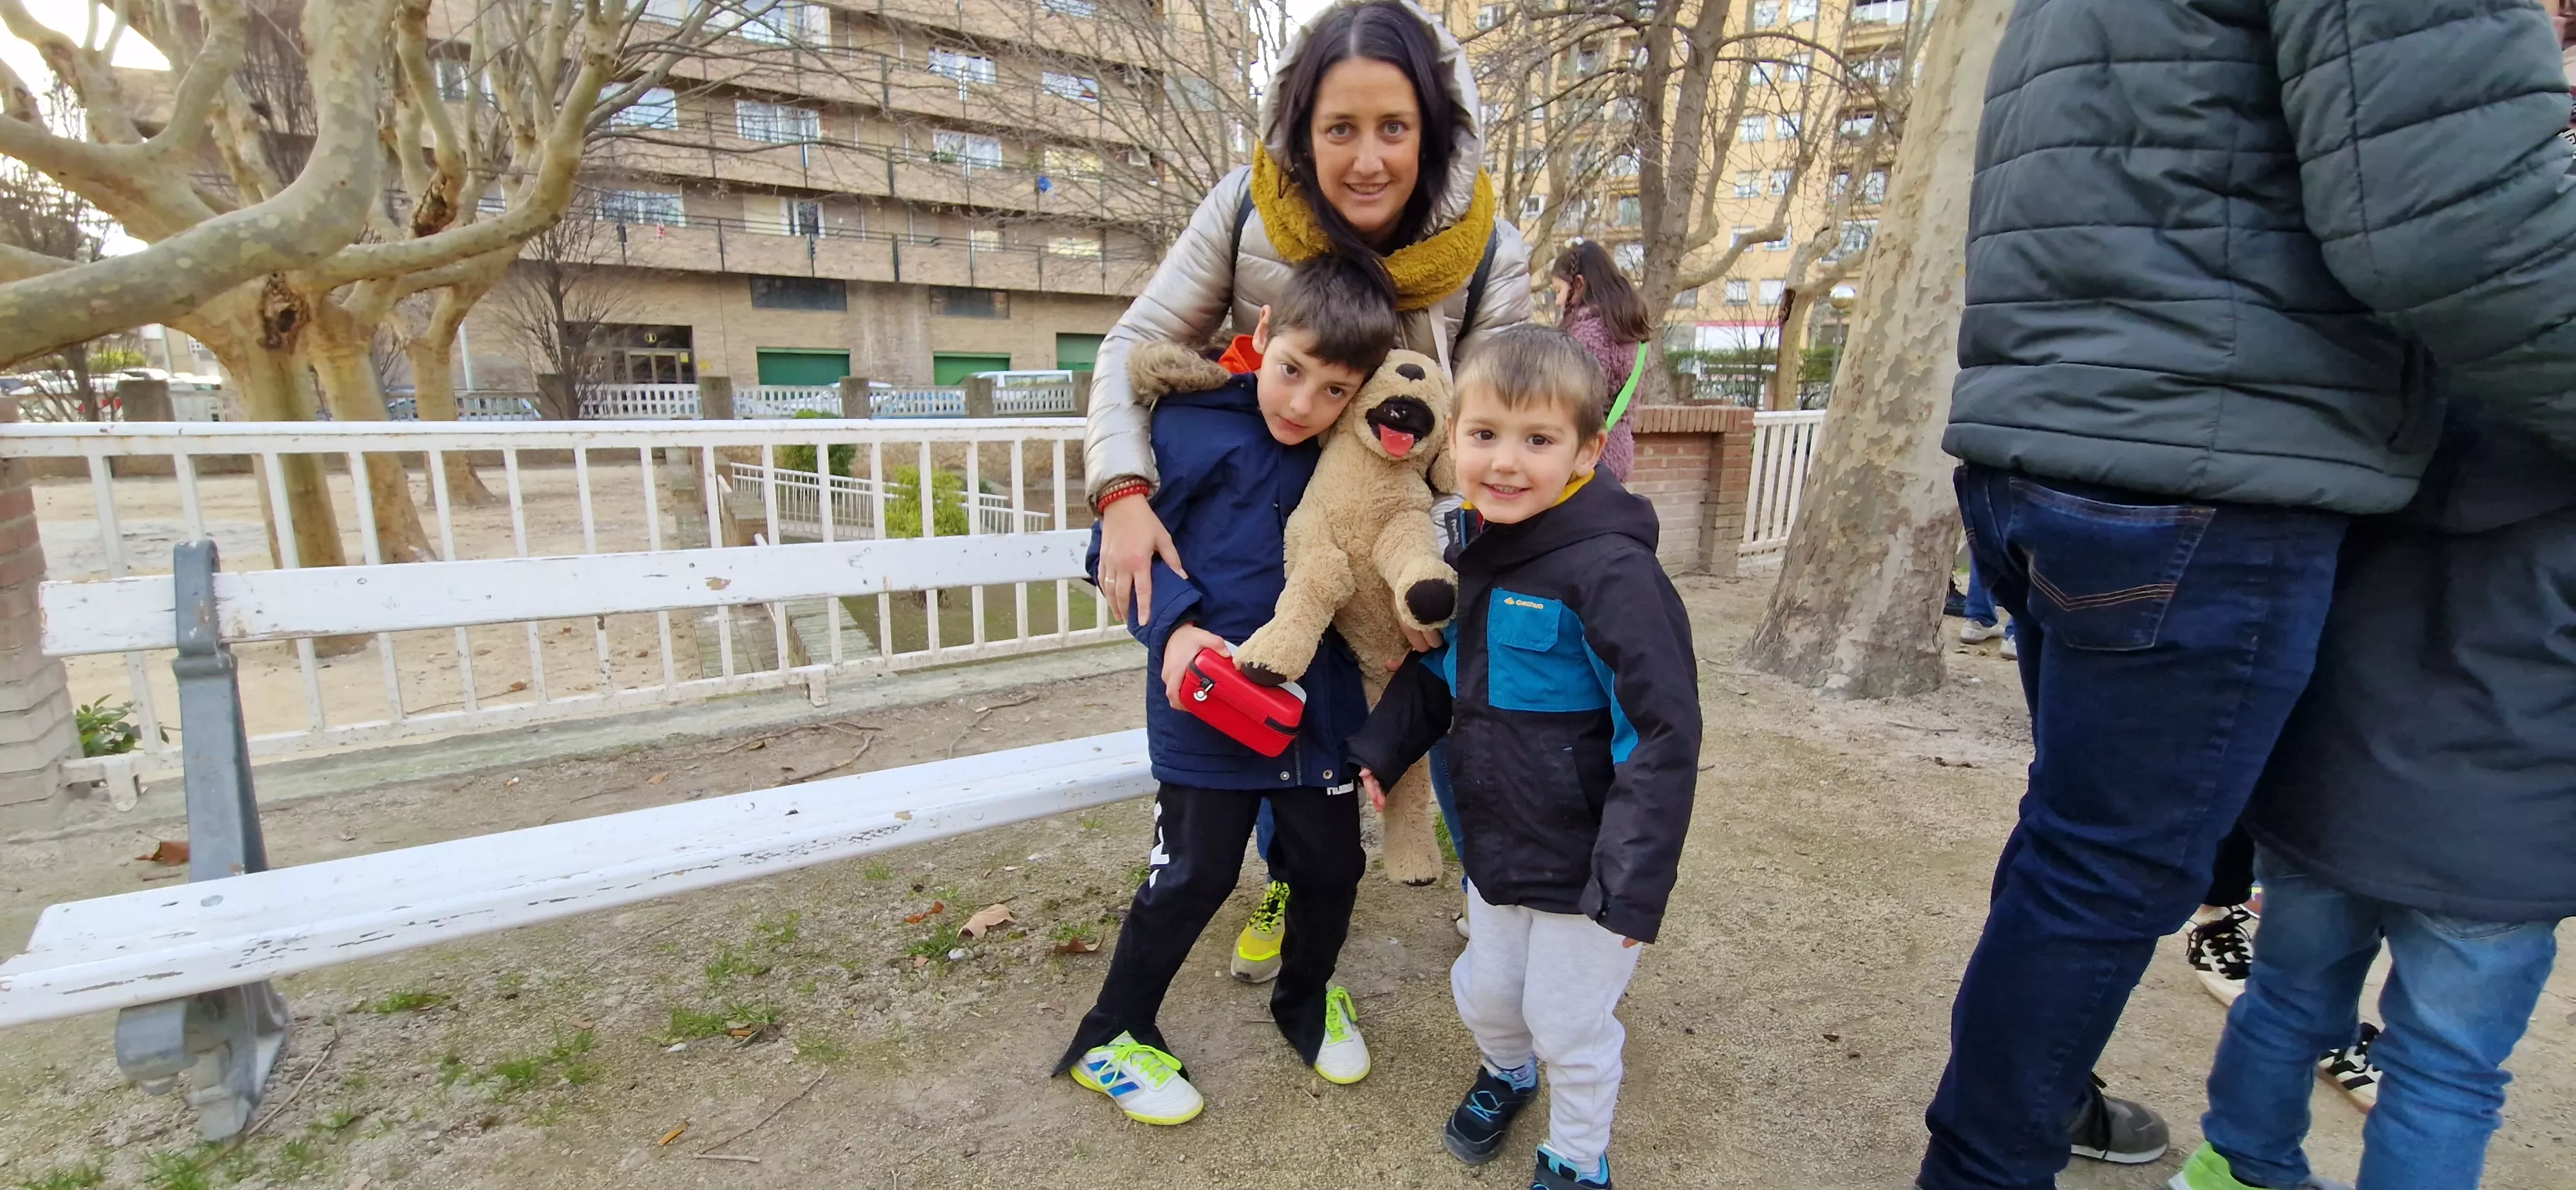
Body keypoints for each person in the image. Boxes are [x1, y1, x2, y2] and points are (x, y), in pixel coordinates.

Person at [1926, 5, 2576, 1189]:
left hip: (2059, 441)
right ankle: (1984, 1161)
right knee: (2100, 872)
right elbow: (2465, 229)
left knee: (2075, 852)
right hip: (2209, 464)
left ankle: (2037, 1101)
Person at [1084, 0, 1533, 972]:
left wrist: (1432, 563)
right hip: (1280, 534)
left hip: (1411, 534)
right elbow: (1133, 346)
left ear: (1436, 131)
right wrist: (1123, 490)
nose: (1367, 159)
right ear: (1301, 128)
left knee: (1446, 709)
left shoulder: (1489, 250)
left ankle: (1495, 915)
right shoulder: (1246, 208)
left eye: (1394, 128)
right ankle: (1286, 887)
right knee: (1276, 714)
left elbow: (1492, 442)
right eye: (1340, 129)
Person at [2170, 406, 2576, 1190]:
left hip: (2331, 792)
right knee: (2445, 1071)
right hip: (2504, 839)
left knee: (2286, 1001)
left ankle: (2234, 1173)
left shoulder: (2392, 438)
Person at [1347, 325, 1702, 1190]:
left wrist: (1630, 878)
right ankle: (1508, 1073)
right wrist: (1382, 750)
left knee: (1567, 1021)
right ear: (1454, 437)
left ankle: (1579, 1160)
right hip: (1498, 844)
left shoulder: (1612, 575)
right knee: (1487, 995)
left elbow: (1662, 732)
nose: (1506, 462)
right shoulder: (1474, 551)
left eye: (1538, 440)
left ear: (1585, 450)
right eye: (1485, 435)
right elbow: (1440, 671)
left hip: (1588, 864)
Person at [1054, 254, 1397, 1124]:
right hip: (1205, 705)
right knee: (1194, 873)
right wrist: (1171, 627)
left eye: (1333, 391)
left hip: (1317, 711)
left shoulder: (1355, 449)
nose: (1302, 404)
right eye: (1292, 372)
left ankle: (1305, 996)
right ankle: (1113, 1034)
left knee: (1332, 865)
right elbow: (1114, 554)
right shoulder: (1190, 427)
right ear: (1264, 333)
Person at [1548, 238, 1649, 482]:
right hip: (1616, 450)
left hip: (1586, 458)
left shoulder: (1588, 334)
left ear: (1579, 285)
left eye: (1559, 291)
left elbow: (1569, 400)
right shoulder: (1626, 330)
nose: (1558, 301)